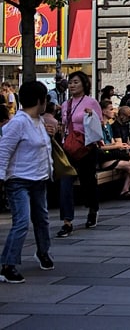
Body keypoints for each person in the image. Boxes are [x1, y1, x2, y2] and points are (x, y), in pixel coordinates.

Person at [0, 81, 56, 283]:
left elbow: (44, 149)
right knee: (22, 221)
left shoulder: (39, 121)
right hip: (19, 180)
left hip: (38, 179)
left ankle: (43, 252)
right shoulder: (19, 122)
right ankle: (8, 265)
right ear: (40, 101)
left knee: (42, 218)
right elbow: (3, 150)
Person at [57, 70, 102, 237]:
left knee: (88, 181)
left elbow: (99, 124)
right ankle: (67, 221)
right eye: (70, 82)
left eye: (76, 82)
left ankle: (93, 209)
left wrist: (91, 117)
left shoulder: (91, 102)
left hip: (86, 147)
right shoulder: (65, 104)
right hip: (68, 147)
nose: (72, 85)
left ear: (84, 84)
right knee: (65, 182)